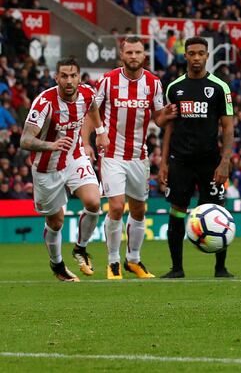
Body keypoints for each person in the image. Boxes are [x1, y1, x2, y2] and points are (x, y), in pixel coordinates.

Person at [94, 36, 177, 279]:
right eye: (129, 52)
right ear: (122, 55)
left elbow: (158, 119)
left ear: (144, 55)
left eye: (137, 52)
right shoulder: (107, 81)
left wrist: (168, 114)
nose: (133, 56)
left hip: (139, 157)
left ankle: (134, 260)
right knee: (117, 207)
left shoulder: (153, 83)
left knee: (139, 210)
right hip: (112, 155)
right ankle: (112, 262)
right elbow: (92, 111)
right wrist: (96, 137)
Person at [20, 58, 106, 281]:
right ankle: (57, 265)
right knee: (56, 221)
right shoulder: (45, 102)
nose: (69, 81)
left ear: (79, 77)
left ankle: (80, 248)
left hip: (75, 157)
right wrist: (51, 145)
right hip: (47, 167)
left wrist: (101, 130)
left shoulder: (87, 93)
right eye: (64, 76)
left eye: (73, 76)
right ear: (56, 77)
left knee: (94, 202)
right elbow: (25, 140)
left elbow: (93, 106)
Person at [159, 36, 235, 278]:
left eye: (200, 53)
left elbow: (228, 127)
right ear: (185, 56)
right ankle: (177, 268)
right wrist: (163, 162)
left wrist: (225, 161)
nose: (196, 58)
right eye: (191, 53)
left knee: (216, 211)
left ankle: (220, 268)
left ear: (207, 55)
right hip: (180, 161)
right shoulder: (174, 88)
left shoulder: (220, 88)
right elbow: (169, 126)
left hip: (210, 162)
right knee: (177, 210)